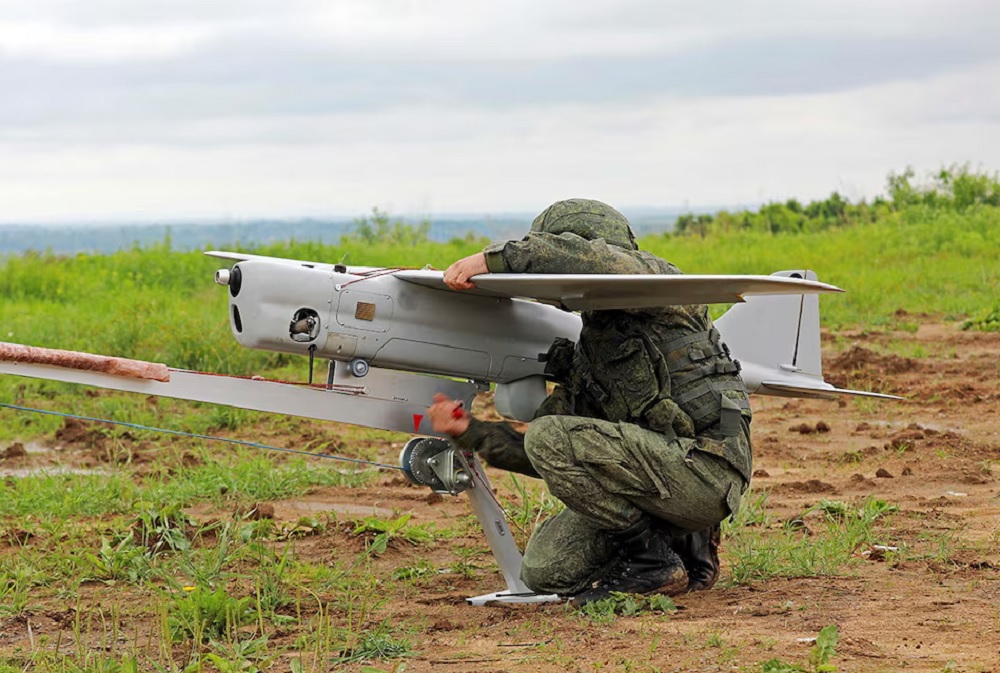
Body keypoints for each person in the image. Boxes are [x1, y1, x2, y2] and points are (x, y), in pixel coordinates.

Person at [427, 198, 752, 606]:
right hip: (660, 479)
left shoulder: (662, 288)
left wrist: (495, 259)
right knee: (546, 569)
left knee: (549, 436)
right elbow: (545, 451)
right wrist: (470, 431)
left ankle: (653, 563)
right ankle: (676, 542)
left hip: (707, 473)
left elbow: (593, 259)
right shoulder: (594, 351)